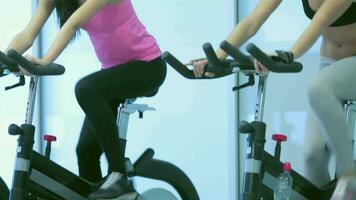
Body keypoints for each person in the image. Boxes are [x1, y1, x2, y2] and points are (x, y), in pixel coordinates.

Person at [192, 0, 356, 199]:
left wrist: (288, 54)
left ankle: (349, 176)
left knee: (319, 87)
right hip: (329, 64)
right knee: (313, 155)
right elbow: (253, 20)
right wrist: (216, 57)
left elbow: (319, 23)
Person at [5, 0, 166, 199]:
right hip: (112, 74)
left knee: (85, 89)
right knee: (86, 151)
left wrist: (45, 61)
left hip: (148, 67)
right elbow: (27, 34)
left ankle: (119, 178)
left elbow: (72, 24)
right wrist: (5, 61)